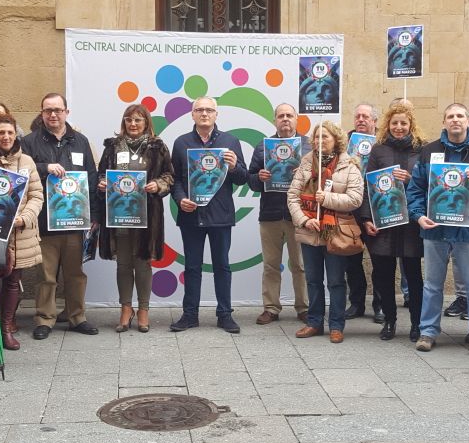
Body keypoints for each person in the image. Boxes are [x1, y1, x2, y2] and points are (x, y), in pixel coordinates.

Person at [408, 102, 469, 355]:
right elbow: (415, 189)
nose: (455, 120)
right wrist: (418, 216)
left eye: (460, 115)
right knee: (432, 285)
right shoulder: (429, 151)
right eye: (450, 116)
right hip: (434, 229)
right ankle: (427, 332)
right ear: (444, 122)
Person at [21, 93, 98, 338]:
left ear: (66, 112)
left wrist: (93, 214)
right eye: (47, 110)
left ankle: (77, 316)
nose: (53, 115)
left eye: (57, 110)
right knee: (46, 275)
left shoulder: (80, 141)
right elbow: (21, 171)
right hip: (44, 222)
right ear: (41, 113)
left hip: (75, 221)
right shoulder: (30, 142)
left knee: (76, 273)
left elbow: (92, 177)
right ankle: (45, 318)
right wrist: (44, 168)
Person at [169, 96, 249, 333]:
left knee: (222, 266)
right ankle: (189, 315)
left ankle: (225, 314)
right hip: (191, 216)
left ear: (216, 114)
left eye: (209, 110)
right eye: (199, 110)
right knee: (192, 266)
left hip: (220, 215)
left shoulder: (231, 141)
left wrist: (235, 166)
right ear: (192, 115)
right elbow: (176, 180)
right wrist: (180, 198)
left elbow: (243, 178)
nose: (204, 114)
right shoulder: (181, 142)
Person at [93, 104, 173, 332]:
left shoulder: (157, 147)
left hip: (147, 215)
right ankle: (126, 309)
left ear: (146, 122)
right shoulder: (112, 147)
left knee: (143, 262)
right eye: (129, 120)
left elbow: (169, 175)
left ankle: (144, 310)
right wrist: (102, 183)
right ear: (124, 122)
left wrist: (157, 184)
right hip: (119, 213)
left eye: (138, 120)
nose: (133, 124)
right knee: (123, 264)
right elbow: (101, 173)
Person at [287, 121, 364, 343]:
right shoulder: (305, 164)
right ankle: (314, 322)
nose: (320, 141)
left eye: (325, 137)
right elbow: (292, 196)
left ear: (336, 140)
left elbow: (355, 199)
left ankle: (337, 325)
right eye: (317, 137)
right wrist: (303, 220)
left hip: (335, 232)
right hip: (309, 230)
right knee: (312, 280)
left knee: (336, 281)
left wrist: (327, 198)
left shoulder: (349, 166)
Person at [361, 100, 425, 341]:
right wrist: (367, 218)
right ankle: (389, 321)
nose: (399, 127)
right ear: (388, 124)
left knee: (414, 276)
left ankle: (417, 324)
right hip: (384, 222)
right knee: (383, 275)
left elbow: (428, 185)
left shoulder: (422, 149)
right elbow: (368, 186)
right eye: (395, 123)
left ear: (411, 125)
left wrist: (410, 179)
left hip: (410, 223)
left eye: (403, 123)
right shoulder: (378, 150)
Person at [0, 114, 43, 351]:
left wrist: (24, 218)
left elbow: (37, 195)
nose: (6, 137)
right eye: (1, 133)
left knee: (12, 282)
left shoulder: (27, 161)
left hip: (19, 233)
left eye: (10, 133)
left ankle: (6, 328)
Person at [247, 103, 309, 325]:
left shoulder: (309, 146)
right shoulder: (263, 147)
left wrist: (305, 173)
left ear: (296, 119)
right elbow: (250, 180)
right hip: (271, 214)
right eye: (281, 116)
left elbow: (320, 179)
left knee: (300, 265)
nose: (285, 119)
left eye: (289, 115)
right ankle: (271, 308)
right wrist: (259, 177)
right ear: (275, 120)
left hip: (299, 215)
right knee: (271, 265)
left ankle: (304, 307)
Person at [345, 102, 380, 321]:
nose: (361, 120)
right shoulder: (344, 143)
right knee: (352, 260)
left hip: (377, 210)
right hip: (352, 210)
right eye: (357, 116)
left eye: (365, 117)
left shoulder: (383, 144)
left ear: (374, 121)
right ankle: (356, 303)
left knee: (380, 260)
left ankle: (380, 304)